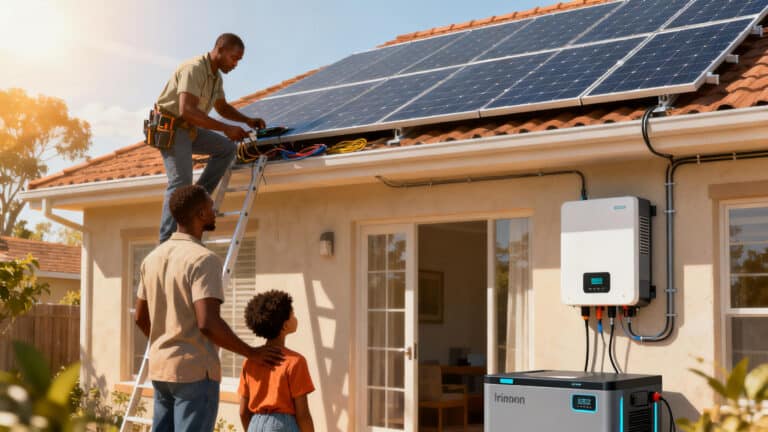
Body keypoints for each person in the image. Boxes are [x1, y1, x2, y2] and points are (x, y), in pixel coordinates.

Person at [134, 184, 283, 432]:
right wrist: (251, 353)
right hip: (195, 374)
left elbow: (140, 318)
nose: (214, 212)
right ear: (200, 214)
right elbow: (208, 323)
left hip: (161, 371)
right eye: (211, 208)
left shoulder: (152, 259)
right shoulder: (203, 260)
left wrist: (166, 342)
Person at [155, 32, 266, 243]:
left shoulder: (215, 77)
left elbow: (222, 107)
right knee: (180, 183)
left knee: (226, 149)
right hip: (172, 127)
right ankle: (166, 242)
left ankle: (196, 201)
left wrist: (247, 120)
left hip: (189, 129)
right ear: (220, 50)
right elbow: (187, 110)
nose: (236, 64)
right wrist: (226, 128)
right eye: (234, 58)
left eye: (239, 60)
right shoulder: (194, 68)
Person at [239, 290, 315, 432]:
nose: (295, 318)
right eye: (293, 315)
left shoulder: (250, 362)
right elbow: (303, 415)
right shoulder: (295, 362)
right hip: (283, 426)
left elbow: (243, 412)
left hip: (254, 424)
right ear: (285, 326)